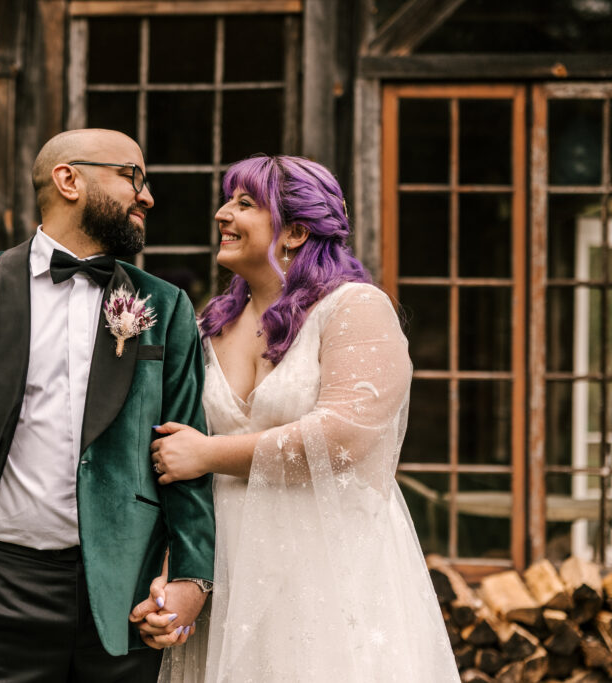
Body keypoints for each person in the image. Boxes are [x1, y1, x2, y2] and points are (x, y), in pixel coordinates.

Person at [0, 128, 216, 682]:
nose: (147, 196)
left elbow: (187, 448)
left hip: (128, 592)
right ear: (69, 180)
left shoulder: (164, 304)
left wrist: (191, 575)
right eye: (132, 177)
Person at [141, 155, 460, 681]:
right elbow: (178, 465)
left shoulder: (354, 308)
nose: (223, 214)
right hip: (231, 572)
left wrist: (209, 453)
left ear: (295, 231)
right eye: (227, 201)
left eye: (245, 203)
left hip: (328, 574)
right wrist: (179, 573)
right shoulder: (206, 326)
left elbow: (344, 436)